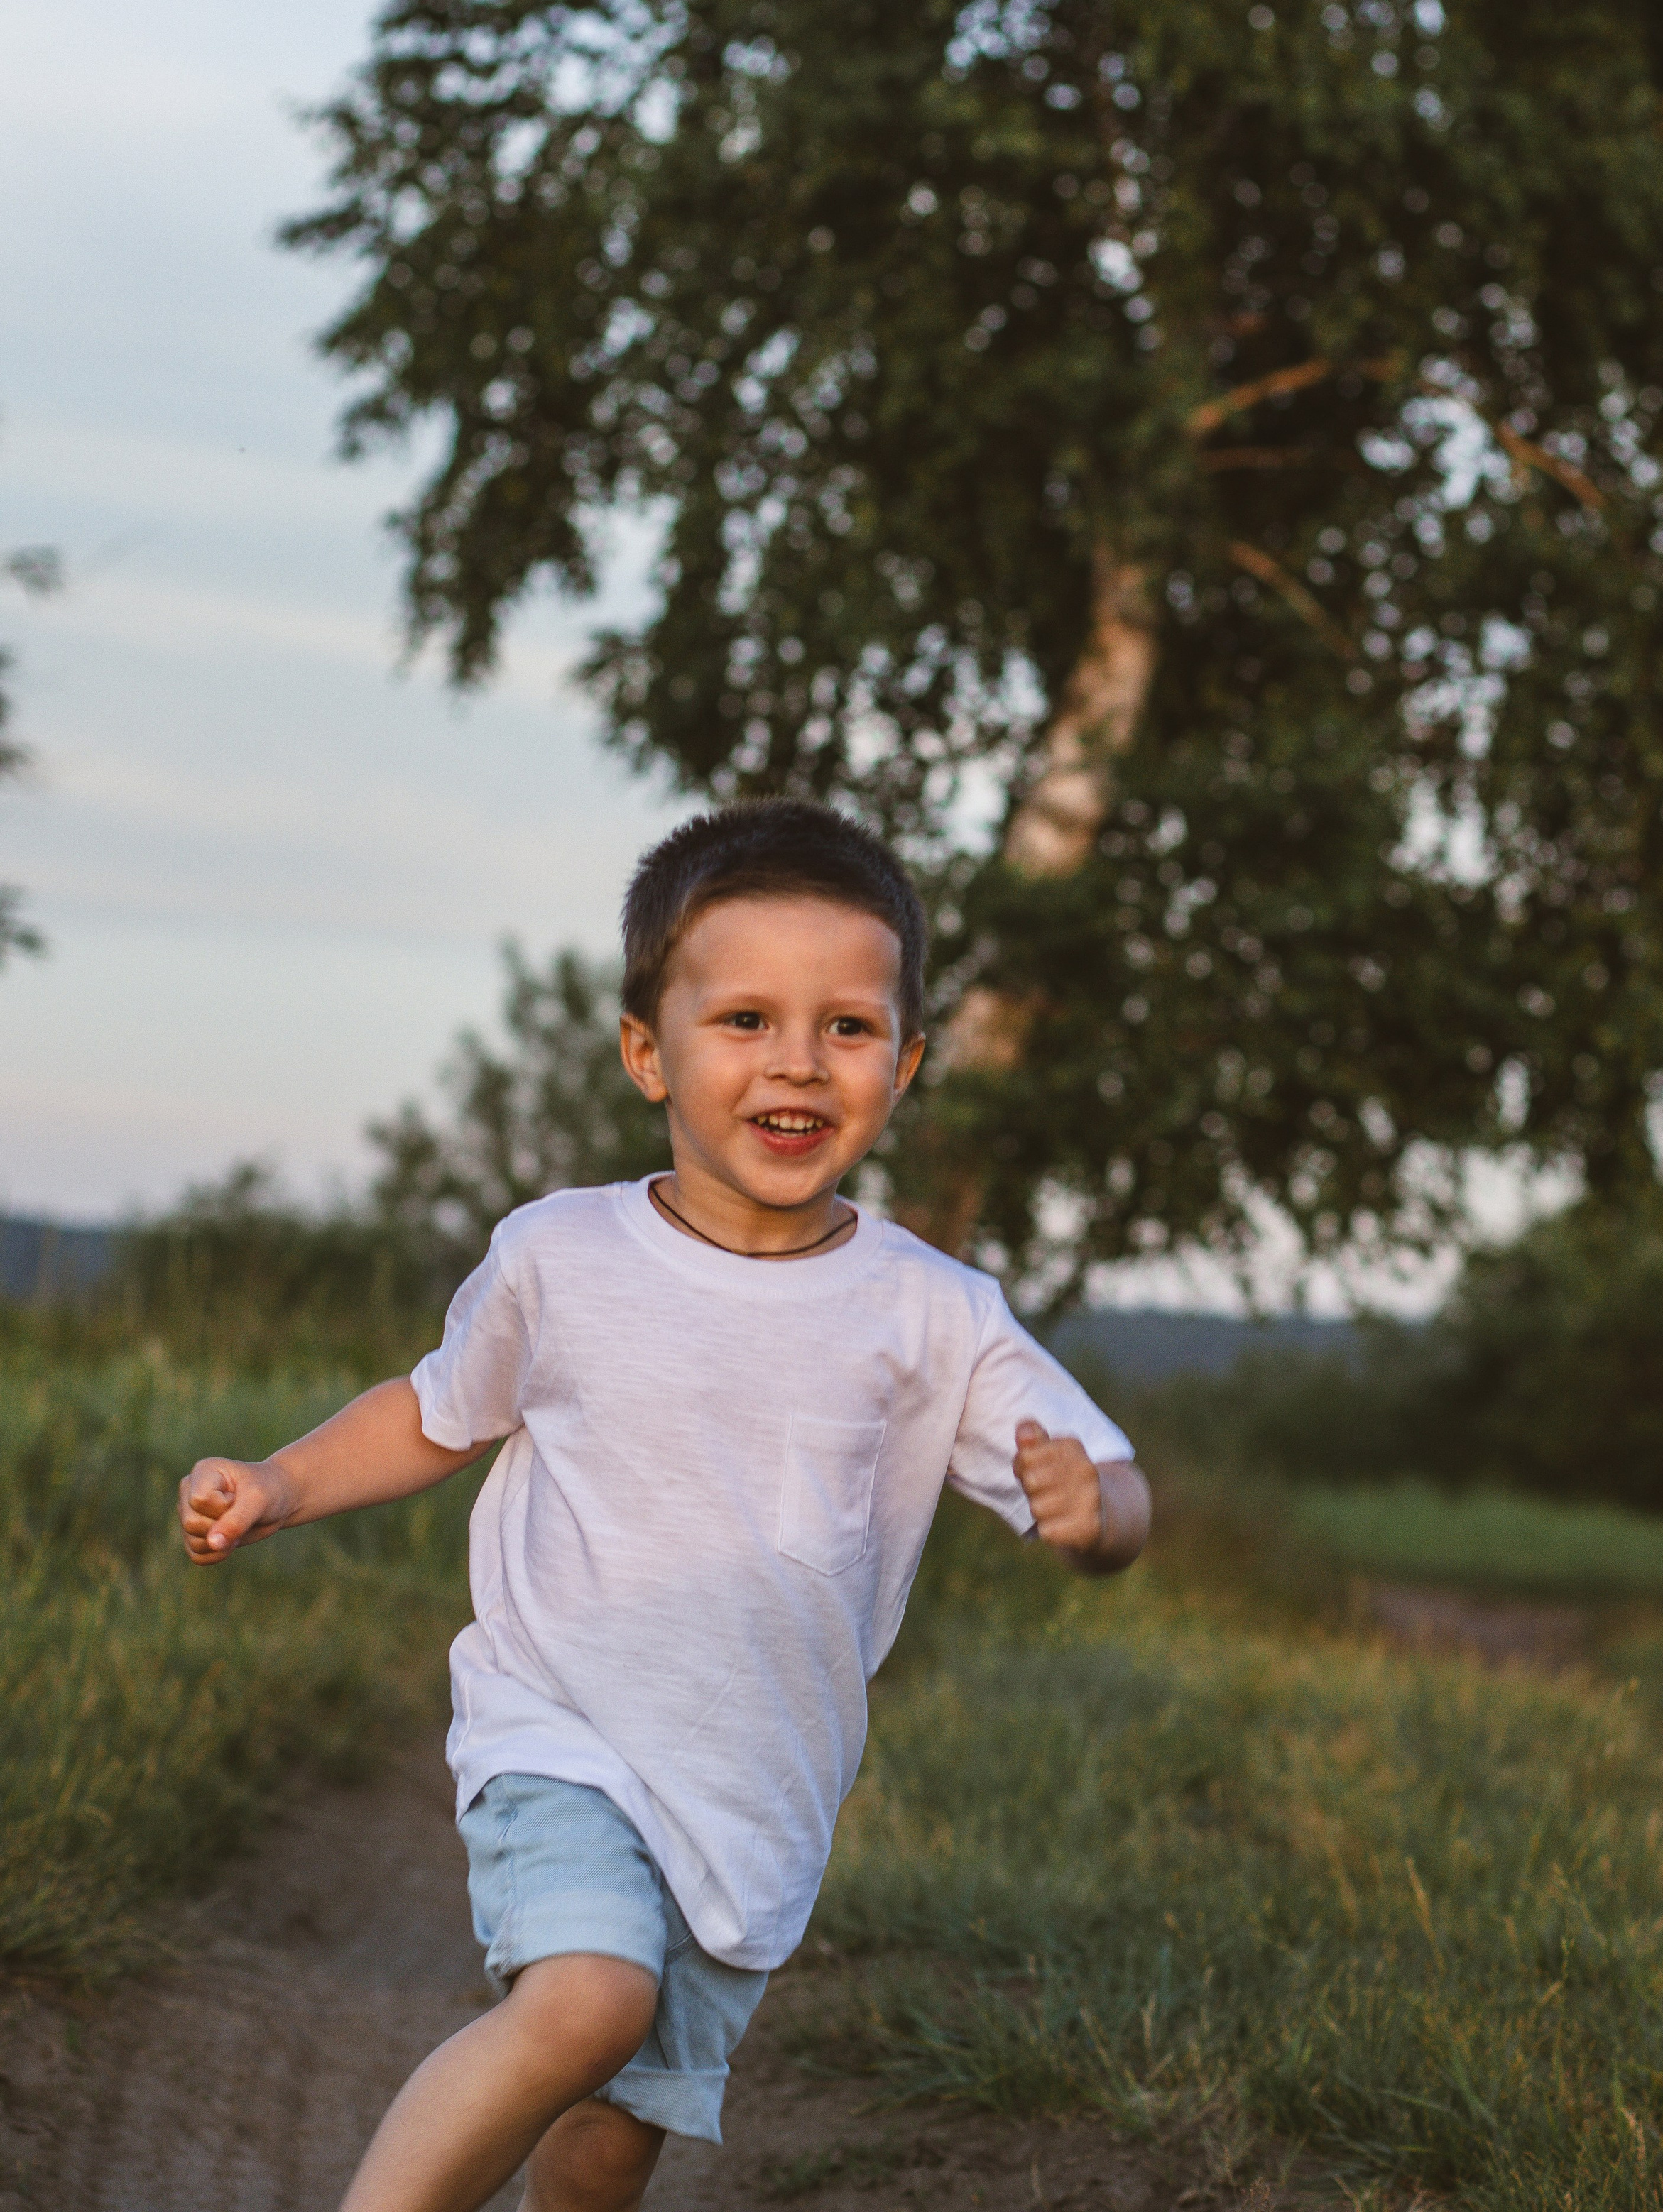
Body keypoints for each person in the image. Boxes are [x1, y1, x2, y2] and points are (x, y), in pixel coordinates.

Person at [178, 798, 1151, 2212]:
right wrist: (276, 1479)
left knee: (613, 2131)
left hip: (754, 1789)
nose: (797, 1063)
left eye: (848, 1027)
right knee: (583, 2007)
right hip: (559, 1721)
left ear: (909, 1060)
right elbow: (436, 1409)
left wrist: (1090, 1513)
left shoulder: (932, 1313)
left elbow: (1112, 1481)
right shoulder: (561, 1256)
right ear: (650, 1051)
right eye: (745, 1018)